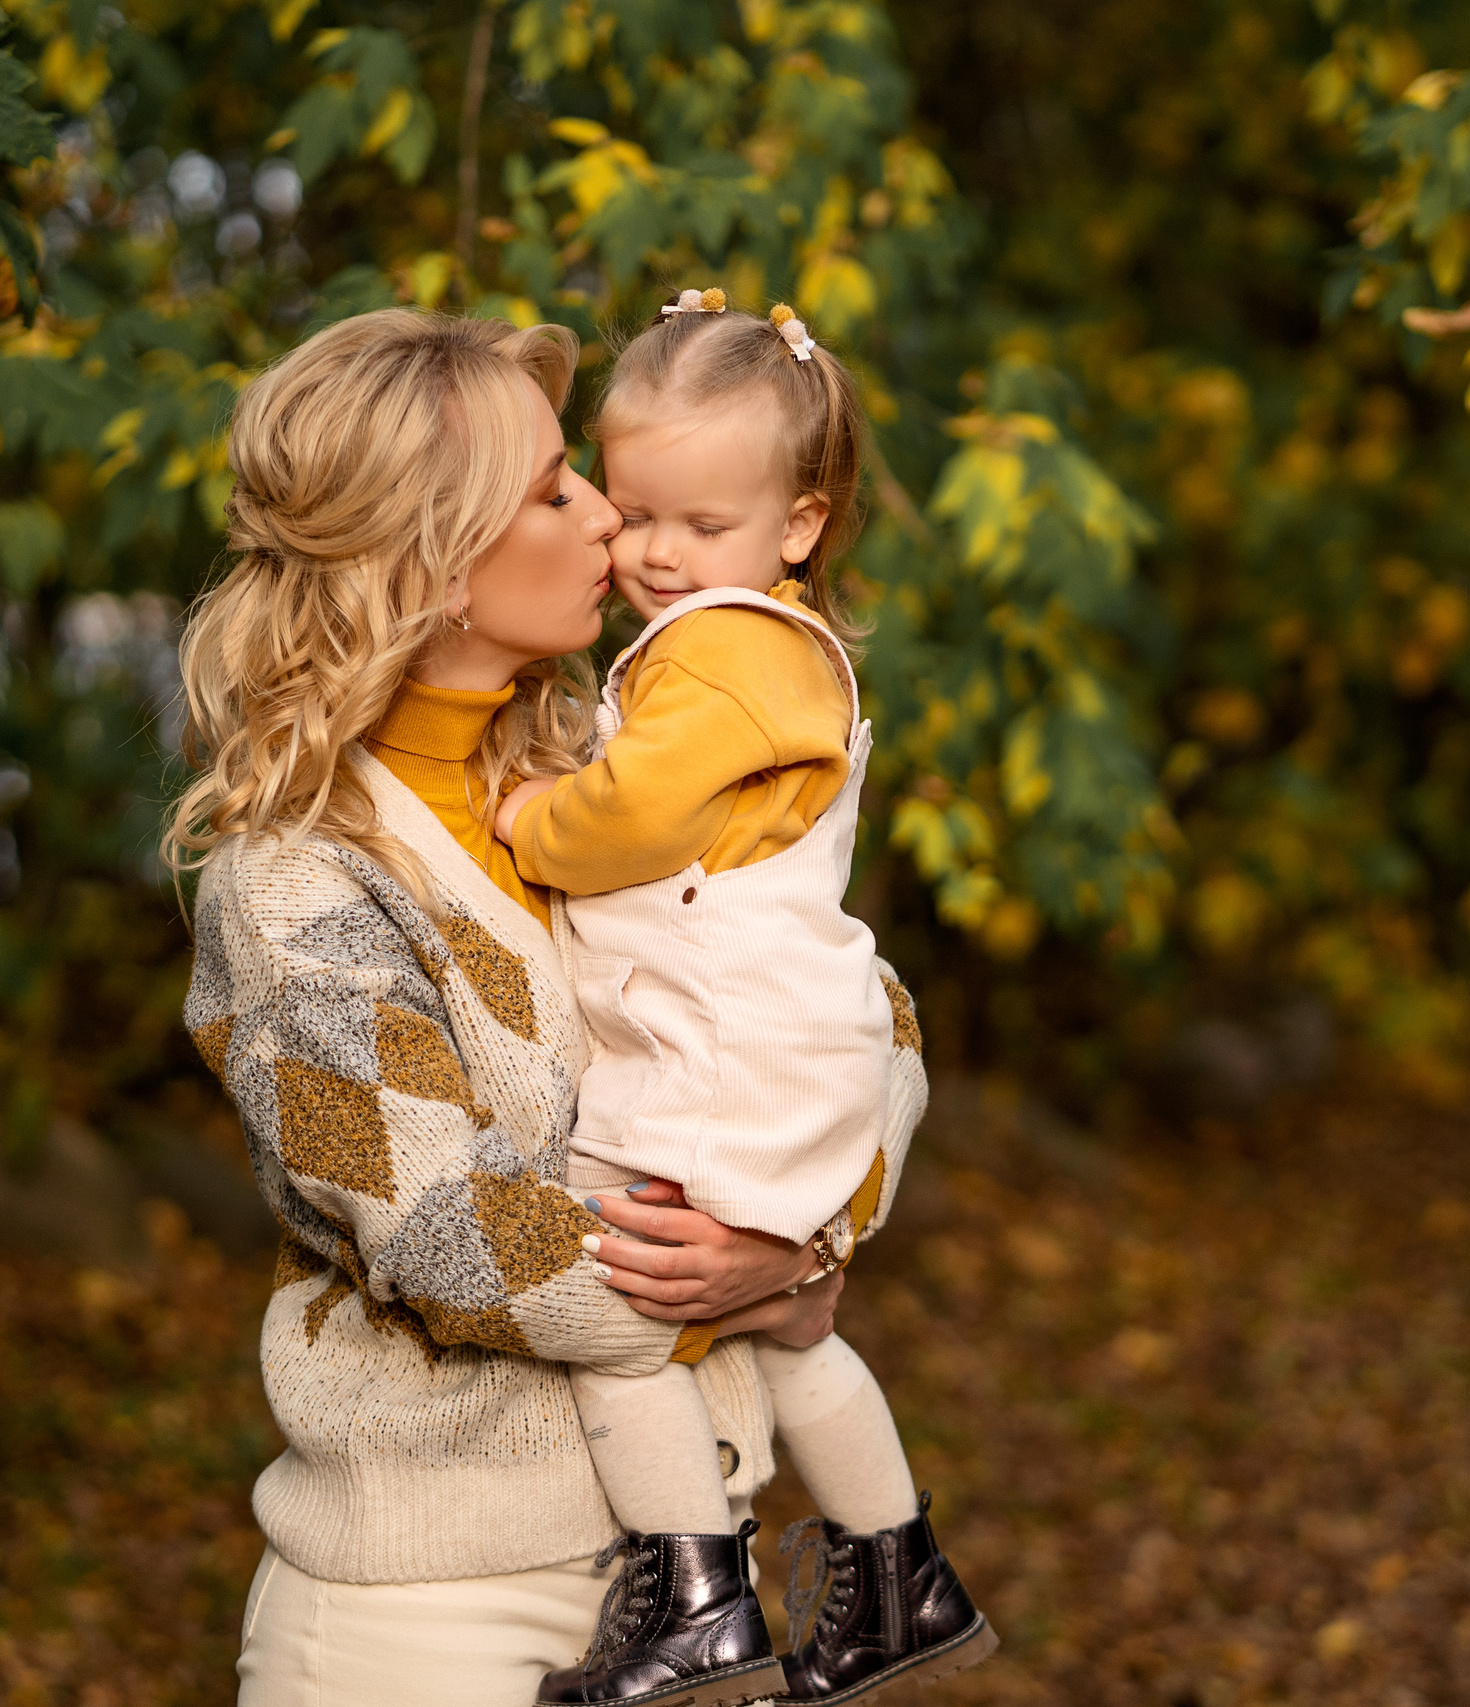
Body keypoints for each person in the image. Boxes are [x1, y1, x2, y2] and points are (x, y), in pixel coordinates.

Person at [163, 308, 900, 1707]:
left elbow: (867, 1022)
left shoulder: (608, 767)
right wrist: (754, 1268)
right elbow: (447, 1232)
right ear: (437, 566)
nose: (614, 529)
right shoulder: (296, 888)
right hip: (437, 1615)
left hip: (698, 1591)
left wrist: (805, 1233)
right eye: (562, 492)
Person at [492, 288, 993, 1707]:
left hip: (713, 1059)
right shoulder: (765, 637)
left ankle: (697, 1600)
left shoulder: (726, 646)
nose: (653, 552)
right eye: (633, 509)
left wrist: (535, 817)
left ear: (800, 524)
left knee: (617, 1301)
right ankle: (900, 1569)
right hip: (788, 1043)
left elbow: (639, 807)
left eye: (700, 527)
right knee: (794, 1327)